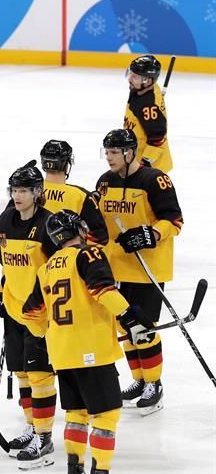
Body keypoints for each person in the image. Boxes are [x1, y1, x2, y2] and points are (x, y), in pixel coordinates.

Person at [23, 210, 155, 474]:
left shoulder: (46, 268)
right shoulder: (88, 254)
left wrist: (54, 332)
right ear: (80, 230)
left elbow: (30, 315)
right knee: (106, 413)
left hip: (62, 354)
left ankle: (75, 473)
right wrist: (131, 318)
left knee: (77, 413)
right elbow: (103, 290)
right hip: (91, 351)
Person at [96, 129, 183, 415]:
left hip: (148, 269)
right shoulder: (105, 182)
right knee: (125, 327)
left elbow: (174, 219)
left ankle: (154, 384)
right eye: (107, 152)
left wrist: (151, 234)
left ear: (130, 152)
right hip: (116, 267)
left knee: (144, 328)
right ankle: (139, 379)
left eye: (114, 152)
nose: (109, 157)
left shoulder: (154, 179)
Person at [0, 162, 57, 470]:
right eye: (14, 190)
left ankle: (44, 438)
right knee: (21, 371)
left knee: (40, 375)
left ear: (37, 192)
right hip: (14, 308)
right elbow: (5, 260)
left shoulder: (49, 225)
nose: (17, 196)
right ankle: (32, 426)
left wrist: (41, 302)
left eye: (23, 191)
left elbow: (57, 270)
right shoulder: (5, 220)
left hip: (40, 313)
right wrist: (2, 289)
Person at [39, 140, 108, 246]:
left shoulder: (27, 192)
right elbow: (100, 239)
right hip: (69, 256)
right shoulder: (81, 196)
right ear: (67, 164)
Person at [123, 55, 172, 172]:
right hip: (135, 157)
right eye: (130, 74)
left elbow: (158, 138)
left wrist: (145, 163)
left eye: (135, 76)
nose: (130, 79)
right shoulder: (140, 89)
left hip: (150, 168)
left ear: (148, 81)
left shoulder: (148, 106)